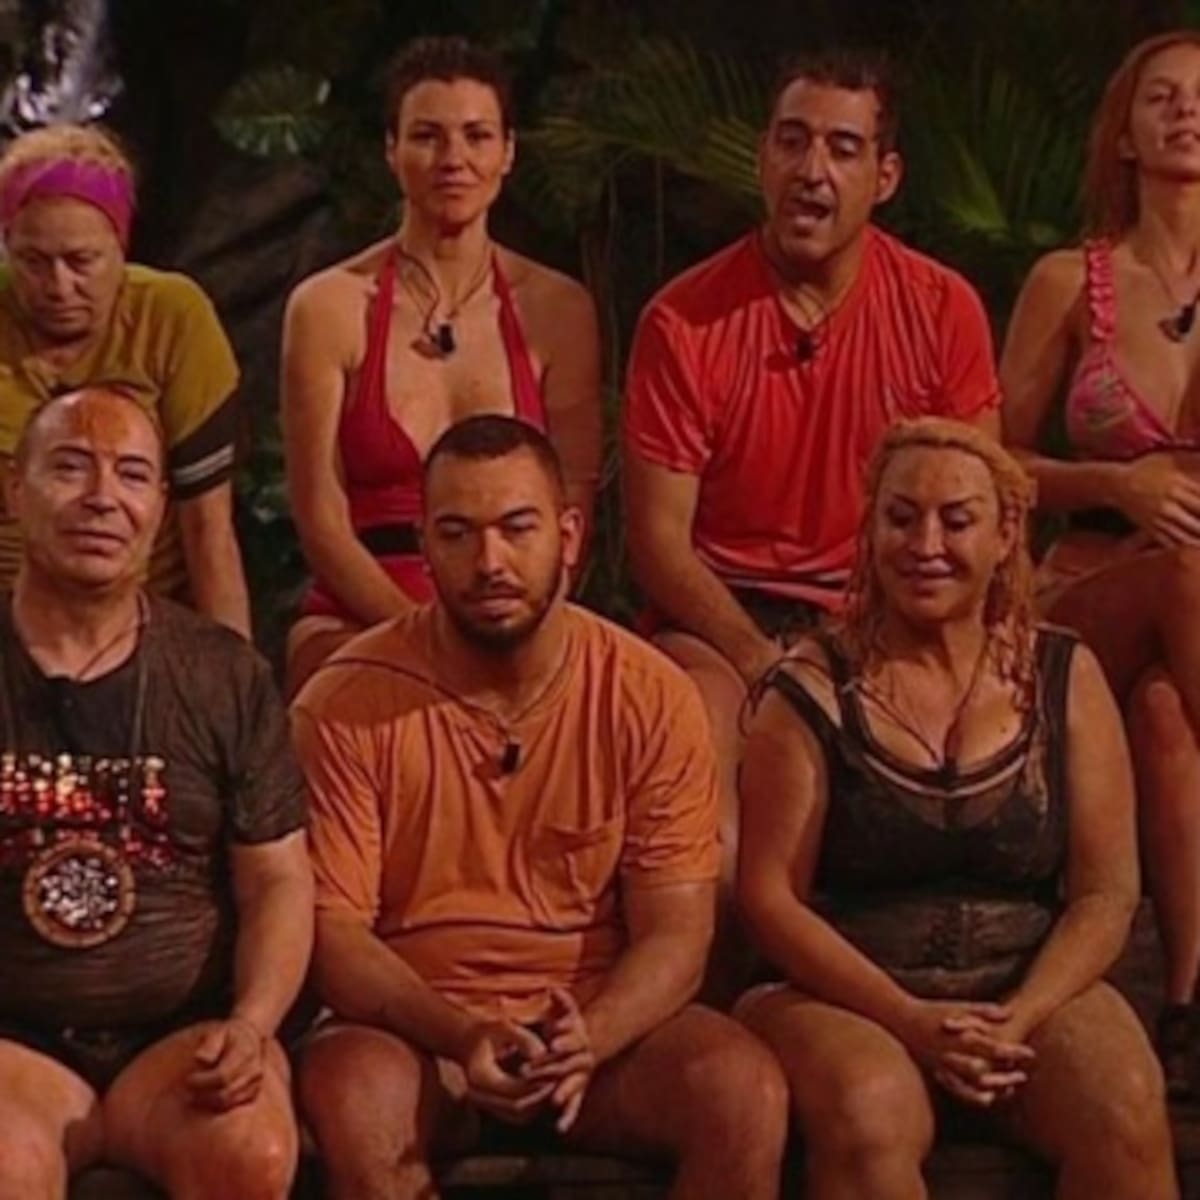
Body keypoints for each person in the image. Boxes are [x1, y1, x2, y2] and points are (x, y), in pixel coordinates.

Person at [291, 415, 787, 1200]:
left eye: (517, 529)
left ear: (570, 534)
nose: (490, 562)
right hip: (416, 1032)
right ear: (423, 545)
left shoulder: (650, 694)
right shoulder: (345, 703)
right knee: (355, 1096)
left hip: (600, 1028)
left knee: (742, 1094)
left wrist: (592, 1036)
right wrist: (461, 1032)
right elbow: (334, 939)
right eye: (457, 534)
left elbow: (677, 933)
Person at [622, 47, 1001, 995]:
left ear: (886, 175)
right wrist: (762, 660)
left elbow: (975, 514)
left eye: (842, 147)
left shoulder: (942, 307)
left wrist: (870, 643)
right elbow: (659, 545)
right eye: (792, 142)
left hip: (887, 609)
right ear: (762, 157)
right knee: (705, 789)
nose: (812, 170)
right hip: (723, 619)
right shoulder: (682, 321)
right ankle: (714, 1019)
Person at [737, 418, 1175, 1200]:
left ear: (1006, 536)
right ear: (870, 530)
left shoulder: (1062, 674)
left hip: (1026, 981)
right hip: (850, 993)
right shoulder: (811, 688)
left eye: (957, 520)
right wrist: (910, 1018)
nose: (926, 545)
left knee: (1125, 1107)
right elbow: (770, 898)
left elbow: (1107, 892)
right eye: (901, 518)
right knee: (870, 1112)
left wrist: (1023, 1012)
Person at [0, 387, 312, 1197]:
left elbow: (278, 881)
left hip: (182, 1042)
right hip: (12, 1048)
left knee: (249, 1153)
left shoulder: (222, 674)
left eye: (132, 474)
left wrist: (253, 1024)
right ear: (13, 489)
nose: (103, 497)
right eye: (71, 467)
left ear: (163, 507)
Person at [1001, 29, 1200, 1093]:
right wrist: (1116, 485)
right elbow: (989, 463)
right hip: (1091, 589)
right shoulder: (1068, 280)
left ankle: (1187, 1002)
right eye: (1162, 97)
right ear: (1123, 133)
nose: (1187, 111)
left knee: (1167, 716)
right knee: (1182, 577)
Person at [283, 35, 602, 695]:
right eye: (427, 136)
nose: (453, 159)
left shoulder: (558, 309)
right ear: (391, 150)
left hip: (517, 611)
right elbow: (320, 516)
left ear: (507, 152)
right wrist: (427, 641)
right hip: (363, 612)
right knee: (348, 683)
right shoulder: (328, 307)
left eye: (476, 136)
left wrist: (515, 630)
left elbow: (574, 499)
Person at [0, 123, 251, 638]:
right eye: (33, 262)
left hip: (146, 628)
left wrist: (234, 674)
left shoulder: (172, 318)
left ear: (121, 245)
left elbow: (208, 530)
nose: (58, 286)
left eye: (81, 261)